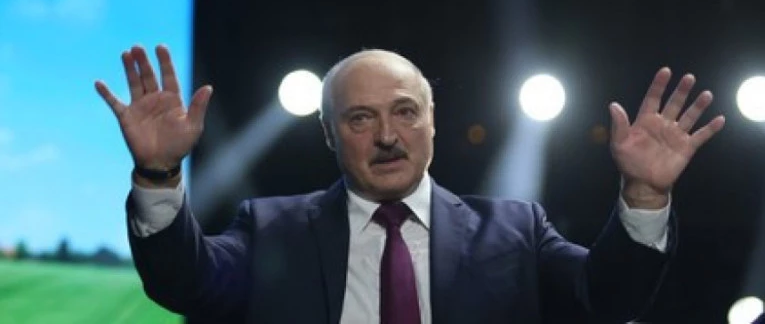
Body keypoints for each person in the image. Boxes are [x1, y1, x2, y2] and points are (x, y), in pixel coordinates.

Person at [95, 45, 725, 324]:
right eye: (360, 119)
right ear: (329, 135)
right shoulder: (270, 229)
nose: (387, 137)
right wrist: (158, 174)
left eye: (404, 112)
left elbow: (609, 299)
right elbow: (183, 282)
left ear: (433, 122)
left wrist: (645, 196)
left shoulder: (515, 231)